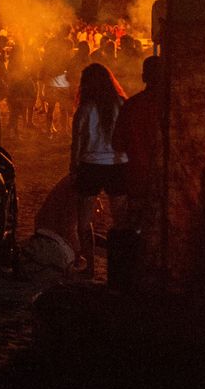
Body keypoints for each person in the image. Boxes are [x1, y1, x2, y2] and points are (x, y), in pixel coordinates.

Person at [69, 62, 128, 276]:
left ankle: (89, 266)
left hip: (90, 165)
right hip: (118, 164)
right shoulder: (122, 103)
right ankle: (121, 266)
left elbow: (77, 142)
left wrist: (73, 167)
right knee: (121, 220)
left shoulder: (85, 109)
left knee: (83, 222)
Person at [112, 54, 163, 246]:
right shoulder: (176, 105)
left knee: (138, 234)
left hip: (137, 180)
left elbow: (117, 144)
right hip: (169, 182)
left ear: (143, 77)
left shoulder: (131, 106)